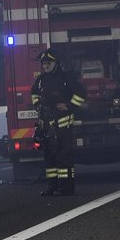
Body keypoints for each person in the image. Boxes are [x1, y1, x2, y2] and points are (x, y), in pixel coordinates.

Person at [31, 48, 86, 196]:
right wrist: (37, 105)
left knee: (64, 157)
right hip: (46, 124)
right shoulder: (41, 80)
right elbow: (34, 93)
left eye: (48, 63)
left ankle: (66, 188)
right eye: (44, 63)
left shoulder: (66, 78)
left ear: (56, 63)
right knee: (49, 157)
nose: (45, 66)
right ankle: (52, 186)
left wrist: (69, 105)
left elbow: (81, 93)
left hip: (62, 124)